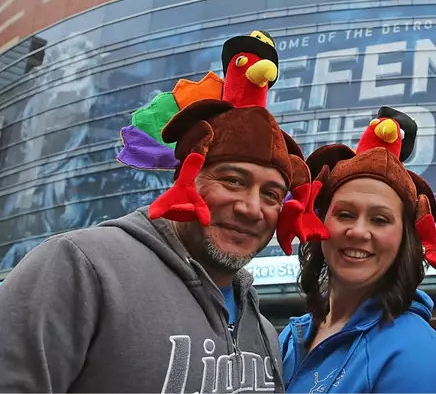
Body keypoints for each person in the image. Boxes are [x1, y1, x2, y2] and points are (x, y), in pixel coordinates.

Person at [0, 32, 326, 393]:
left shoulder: (262, 329)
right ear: (186, 178)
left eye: (271, 194)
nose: (251, 208)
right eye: (232, 180)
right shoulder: (80, 268)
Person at [278, 106, 436, 393]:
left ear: (405, 241)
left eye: (380, 220)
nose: (358, 231)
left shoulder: (416, 356)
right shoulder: (290, 336)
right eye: (344, 214)